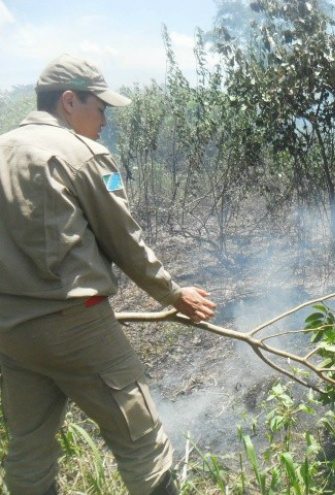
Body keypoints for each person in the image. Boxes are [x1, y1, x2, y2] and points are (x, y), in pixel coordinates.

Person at [0, 54, 216, 495]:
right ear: (68, 101)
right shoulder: (82, 155)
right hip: (76, 324)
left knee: (29, 451)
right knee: (143, 442)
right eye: (99, 108)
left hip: (10, 332)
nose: (103, 120)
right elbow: (125, 241)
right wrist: (173, 294)